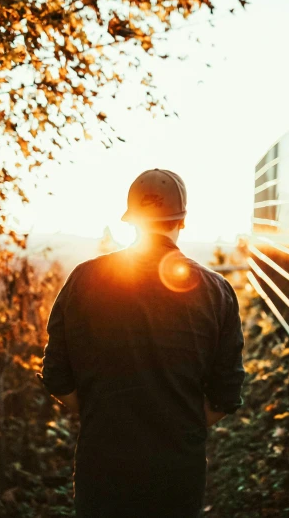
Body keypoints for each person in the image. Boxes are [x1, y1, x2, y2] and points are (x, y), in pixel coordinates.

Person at [39, 169, 245, 518]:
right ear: (182, 221)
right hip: (177, 473)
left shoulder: (83, 280)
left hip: (102, 469)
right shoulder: (217, 291)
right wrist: (179, 423)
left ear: (131, 220)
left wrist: (100, 414)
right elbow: (226, 394)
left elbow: (56, 376)